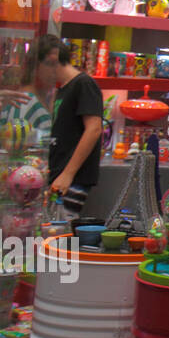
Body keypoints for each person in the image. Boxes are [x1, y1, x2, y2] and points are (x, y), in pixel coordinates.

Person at [32, 36, 104, 209]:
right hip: (59, 174)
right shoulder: (63, 88)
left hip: (71, 178)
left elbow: (93, 129)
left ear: (51, 60)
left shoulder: (83, 84)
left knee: (59, 230)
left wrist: (68, 174)